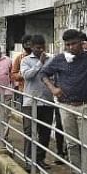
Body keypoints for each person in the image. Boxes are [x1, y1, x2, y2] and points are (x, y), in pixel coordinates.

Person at [40, 28, 87, 174]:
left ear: (81, 43)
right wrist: (53, 88)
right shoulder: (60, 59)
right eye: (68, 44)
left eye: (74, 44)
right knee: (71, 144)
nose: (71, 47)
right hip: (66, 106)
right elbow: (43, 73)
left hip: (85, 105)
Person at [18, 35, 55, 165]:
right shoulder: (25, 60)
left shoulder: (51, 59)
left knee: (45, 133)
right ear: (32, 47)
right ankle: (28, 161)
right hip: (30, 102)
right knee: (29, 132)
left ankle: (40, 159)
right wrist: (40, 63)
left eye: (42, 47)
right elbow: (27, 76)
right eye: (37, 48)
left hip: (47, 101)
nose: (40, 50)